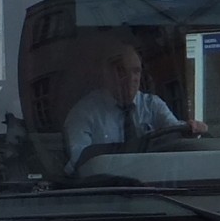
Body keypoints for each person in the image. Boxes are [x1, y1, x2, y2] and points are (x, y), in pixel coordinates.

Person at [62, 40, 206, 172]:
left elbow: (174, 133)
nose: (131, 79)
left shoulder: (152, 105)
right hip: (105, 188)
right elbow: (78, 161)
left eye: (136, 71)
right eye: (121, 71)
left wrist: (190, 129)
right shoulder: (84, 113)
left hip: (152, 187)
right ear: (106, 74)